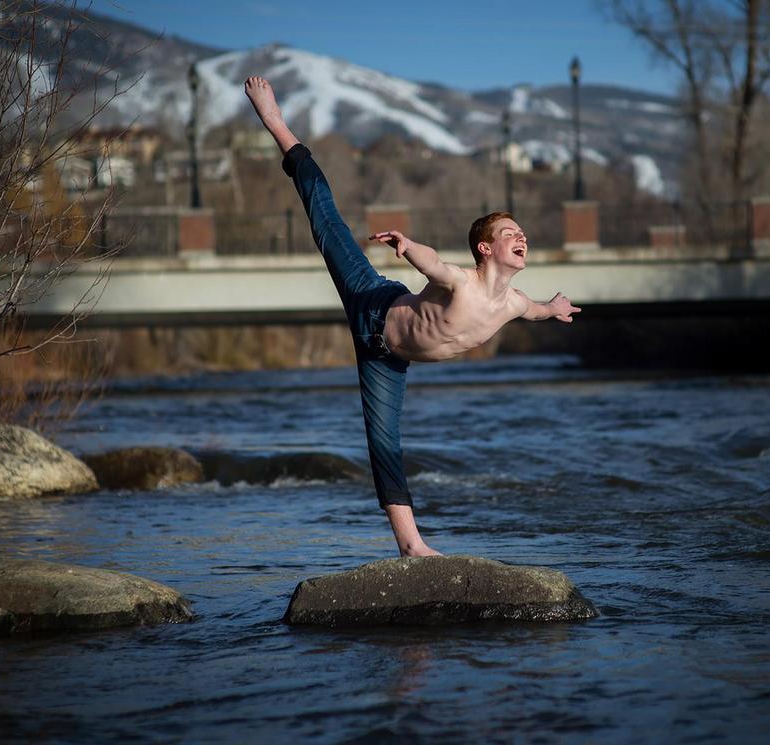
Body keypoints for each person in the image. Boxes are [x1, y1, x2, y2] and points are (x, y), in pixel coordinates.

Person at [244, 76, 581, 557]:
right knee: (328, 219)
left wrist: (555, 308)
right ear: (487, 249)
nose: (520, 236)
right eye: (510, 232)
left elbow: (536, 310)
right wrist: (407, 246)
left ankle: (411, 546)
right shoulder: (461, 282)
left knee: (386, 446)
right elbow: (434, 263)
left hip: (388, 359)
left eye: (521, 232)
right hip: (372, 302)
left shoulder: (513, 303)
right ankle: (275, 120)